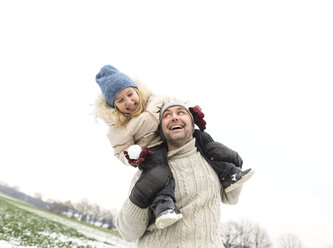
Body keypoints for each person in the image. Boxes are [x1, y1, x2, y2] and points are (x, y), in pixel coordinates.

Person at [94, 65, 253, 230]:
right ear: (113, 106)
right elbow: (121, 150)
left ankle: (228, 173)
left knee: (202, 137)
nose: (128, 102)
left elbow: (177, 103)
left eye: (130, 94)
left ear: (137, 91)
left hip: (178, 145)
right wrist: (133, 155)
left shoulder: (156, 100)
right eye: (120, 100)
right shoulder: (119, 127)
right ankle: (163, 205)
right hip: (152, 151)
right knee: (159, 172)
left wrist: (192, 109)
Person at [115, 102, 249, 247]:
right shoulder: (149, 171)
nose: (174, 117)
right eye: (167, 115)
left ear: (192, 125)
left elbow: (231, 198)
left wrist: (234, 164)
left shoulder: (212, 160)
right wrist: (139, 196)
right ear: (161, 130)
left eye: (180, 112)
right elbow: (128, 233)